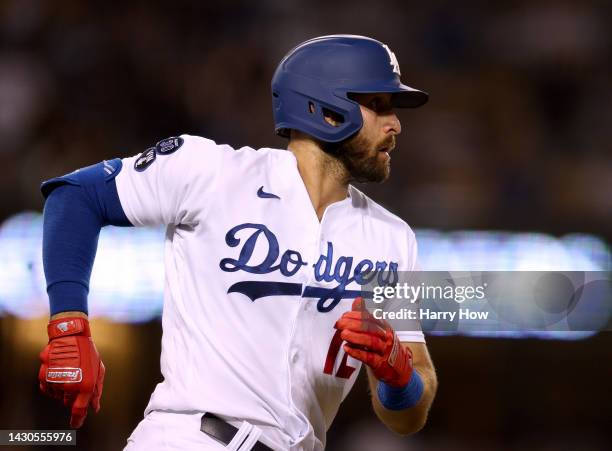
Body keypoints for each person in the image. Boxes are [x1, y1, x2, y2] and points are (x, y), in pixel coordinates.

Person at [38, 34, 438, 451]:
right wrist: (69, 327)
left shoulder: (393, 238)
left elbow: (409, 417)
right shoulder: (213, 172)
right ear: (327, 110)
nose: (395, 124)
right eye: (378, 105)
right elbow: (76, 195)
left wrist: (399, 379)